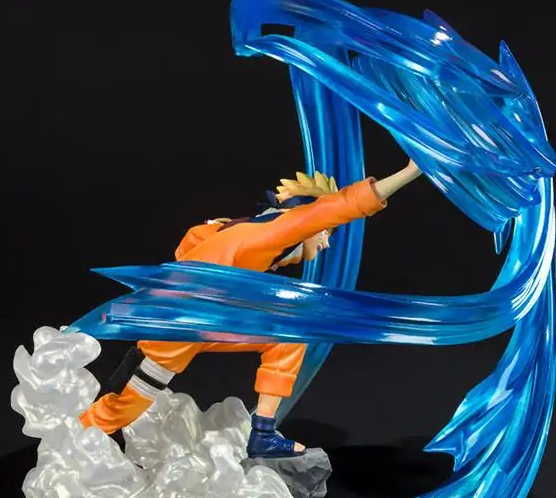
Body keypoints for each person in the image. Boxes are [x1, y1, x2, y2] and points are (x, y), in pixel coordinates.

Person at [80, 158, 423, 457]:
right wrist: (409, 173)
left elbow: (191, 241)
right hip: (182, 323)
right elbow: (345, 205)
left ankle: (263, 435)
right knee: (127, 404)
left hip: (203, 321)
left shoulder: (248, 231)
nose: (326, 242)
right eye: (325, 232)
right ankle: (78, 436)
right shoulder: (277, 230)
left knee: (288, 337)